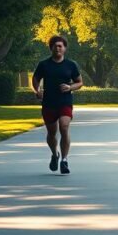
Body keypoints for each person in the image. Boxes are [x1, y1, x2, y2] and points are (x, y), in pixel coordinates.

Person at [32, 35, 83, 175]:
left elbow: (79, 82)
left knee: (64, 127)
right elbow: (35, 79)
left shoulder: (71, 65)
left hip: (65, 101)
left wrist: (70, 87)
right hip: (49, 101)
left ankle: (64, 160)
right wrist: (37, 91)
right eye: (55, 46)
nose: (58, 48)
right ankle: (55, 155)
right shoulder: (44, 64)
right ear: (51, 48)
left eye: (60, 46)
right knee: (51, 133)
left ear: (65, 48)